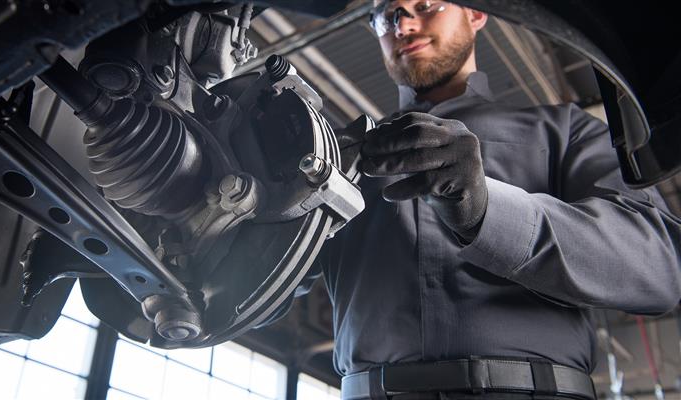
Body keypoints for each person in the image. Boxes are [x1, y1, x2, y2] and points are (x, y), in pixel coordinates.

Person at [268, 1, 681, 399]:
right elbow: (273, 287)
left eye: (425, 6)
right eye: (387, 16)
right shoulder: (340, 159)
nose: (404, 27)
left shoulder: (565, 131)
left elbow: (659, 267)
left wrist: (487, 210)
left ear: (476, 12)